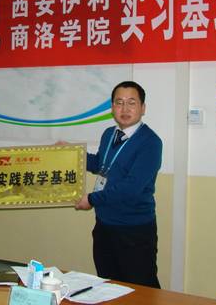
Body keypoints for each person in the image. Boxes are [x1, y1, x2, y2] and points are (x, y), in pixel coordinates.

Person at [75, 81, 162, 288]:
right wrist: (72, 154)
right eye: (119, 102)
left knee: (141, 290)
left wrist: (91, 199)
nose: (125, 109)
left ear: (143, 108)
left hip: (134, 231)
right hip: (104, 225)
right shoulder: (109, 134)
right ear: (112, 107)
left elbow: (131, 188)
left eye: (131, 103)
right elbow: (101, 164)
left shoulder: (150, 142)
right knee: (108, 285)